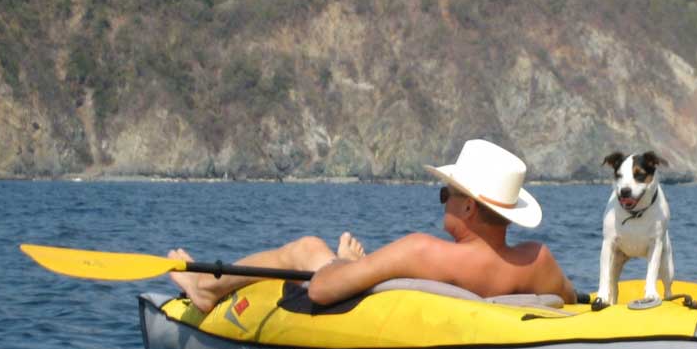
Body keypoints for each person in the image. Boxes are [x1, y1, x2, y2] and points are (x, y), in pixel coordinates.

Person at [168, 139, 577, 311]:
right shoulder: (538, 262)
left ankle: (206, 289)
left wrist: (343, 264)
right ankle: (208, 284)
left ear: (469, 209)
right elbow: (572, 303)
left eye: (444, 195)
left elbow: (324, 290)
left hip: (339, 304)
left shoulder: (423, 251)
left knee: (309, 248)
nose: (442, 201)